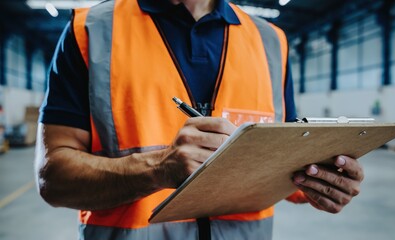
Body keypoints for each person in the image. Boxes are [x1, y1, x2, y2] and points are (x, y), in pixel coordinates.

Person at [34, 0, 364, 239]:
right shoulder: (93, 29)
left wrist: (320, 179)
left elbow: (284, 158)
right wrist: (158, 168)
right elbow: (53, 178)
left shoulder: (270, 41)